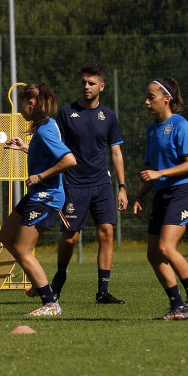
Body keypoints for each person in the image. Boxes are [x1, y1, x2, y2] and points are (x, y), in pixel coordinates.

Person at [53, 63, 128, 304]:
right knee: (70, 238)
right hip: (73, 185)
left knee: (107, 233)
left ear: (102, 87)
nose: (86, 86)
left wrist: (123, 187)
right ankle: (59, 279)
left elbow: (116, 153)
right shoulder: (66, 113)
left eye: (92, 83)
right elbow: (55, 147)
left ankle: (103, 292)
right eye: (84, 82)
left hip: (102, 185)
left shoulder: (109, 116)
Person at [0, 84, 77, 317]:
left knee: (23, 249)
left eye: (22, 104)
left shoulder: (45, 130)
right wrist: (26, 148)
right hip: (36, 194)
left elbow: (69, 160)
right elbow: (46, 155)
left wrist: (40, 176)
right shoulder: (46, 127)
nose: (21, 110)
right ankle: (39, 281)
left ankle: (50, 302)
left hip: (46, 196)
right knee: (5, 236)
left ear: (31, 104)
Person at [133, 78, 188, 320]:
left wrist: (159, 174)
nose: (146, 101)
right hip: (163, 194)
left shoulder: (181, 125)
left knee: (166, 247)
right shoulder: (152, 130)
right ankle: (176, 306)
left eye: (151, 96)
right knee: (153, 253)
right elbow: (154, 168)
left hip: (184, 192)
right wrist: (141, 195)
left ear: (167, 99)